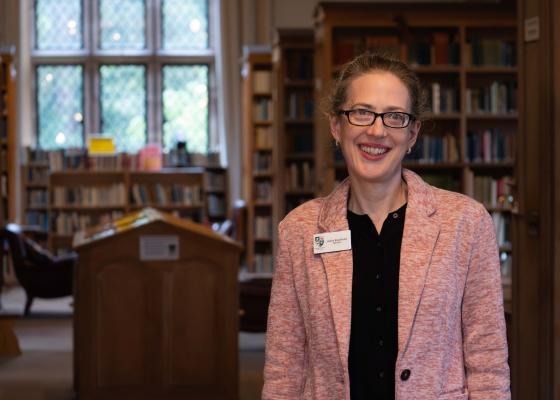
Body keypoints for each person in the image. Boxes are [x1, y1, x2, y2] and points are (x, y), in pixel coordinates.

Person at [262, 53, 510, 400]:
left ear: (413, 132)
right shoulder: (299, 230)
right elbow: (284, 363)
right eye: (361, 112)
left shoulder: (465, 223)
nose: (377, 130)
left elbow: (488, 359)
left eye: (395, 116)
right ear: (336, 125)